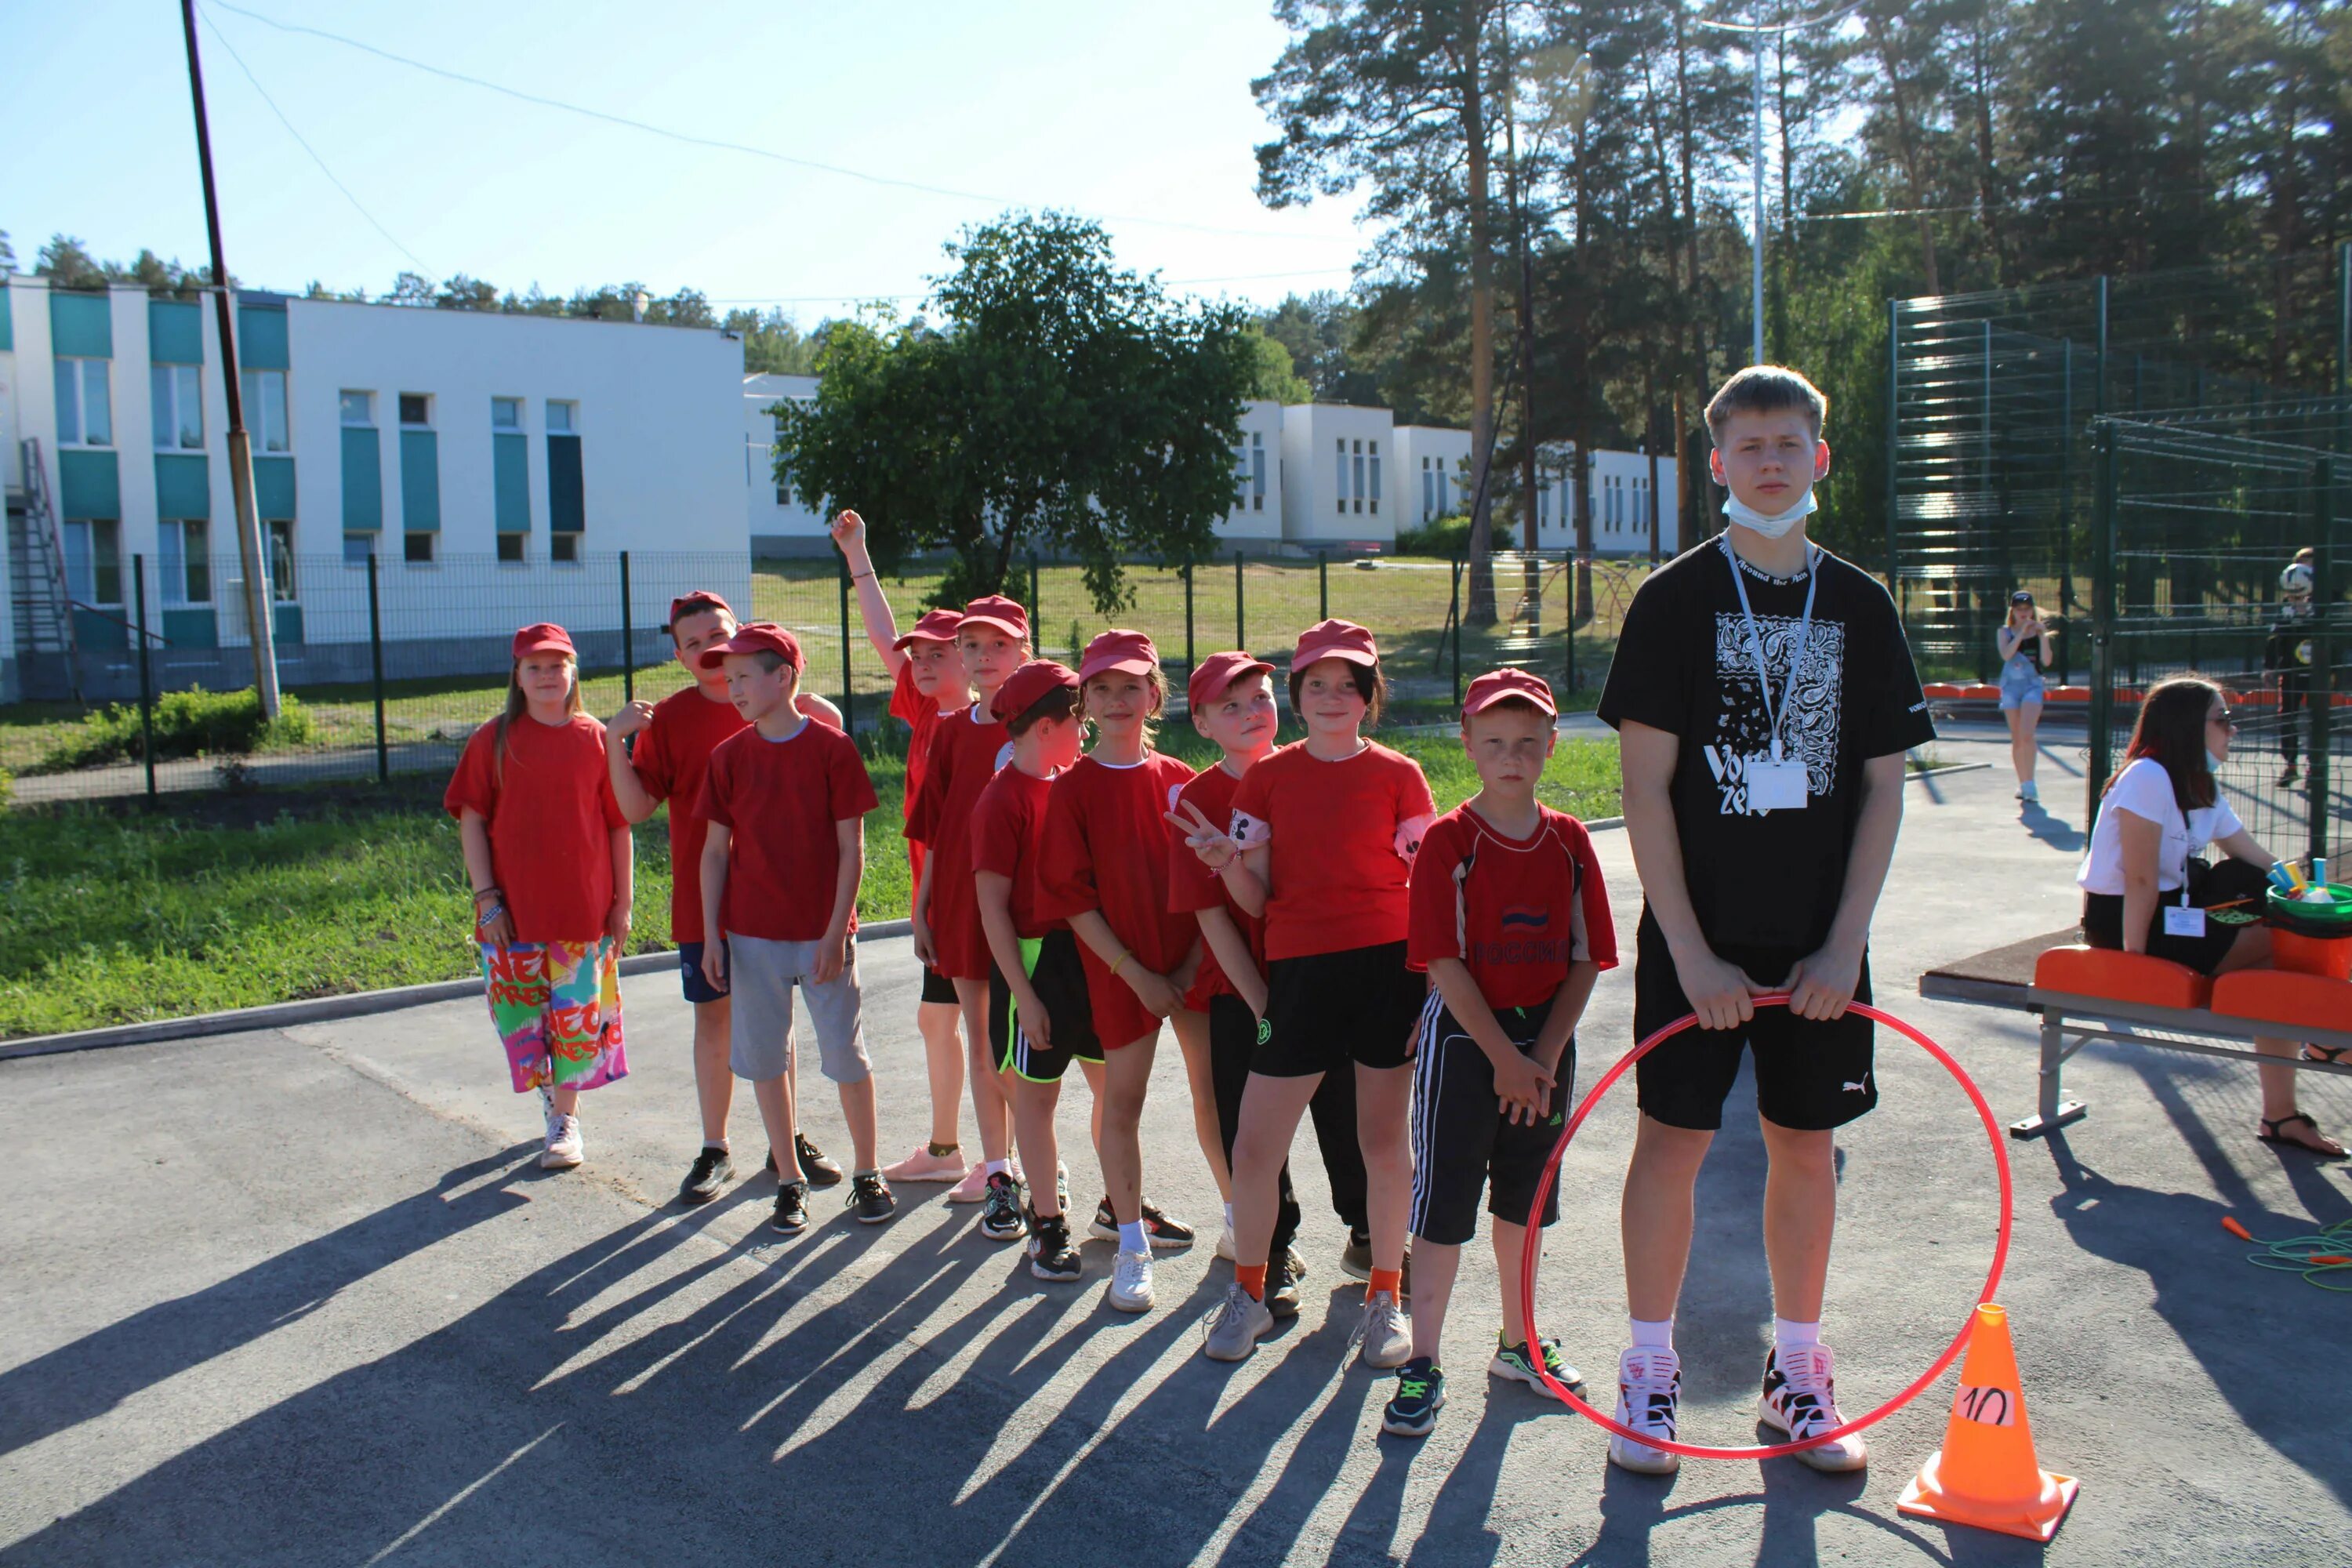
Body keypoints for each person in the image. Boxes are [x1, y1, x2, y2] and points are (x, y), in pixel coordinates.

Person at [1595, 365, 1935, 1475]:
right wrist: (1689, 951)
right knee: (1675, 1145)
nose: (1772, 461)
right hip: (1700, 943)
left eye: (1790, 443)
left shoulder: (1861, 603)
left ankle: (1798, 1375)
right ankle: (1650, 1371)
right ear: (1720, 464)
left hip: (1819, 944)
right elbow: (1645, 790)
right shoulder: (1675, 600)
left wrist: (1844, 942)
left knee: (1806, 1146)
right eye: (1750, 446)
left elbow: (1883, 787)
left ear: (1820, 458)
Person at [1174, 619, 1434, 1368]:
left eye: (1347, 684)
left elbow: (1421, 889)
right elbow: (1254, 905)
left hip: (1388, 973)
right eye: (1315, 684)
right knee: (1254, 1148)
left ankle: (1384, 1298)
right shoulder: (1268, 778)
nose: (1331, 696)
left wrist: (1434, 985)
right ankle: (1249, 1294)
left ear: (1368, 696)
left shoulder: (1400, 774)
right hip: (1300, 978)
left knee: (1385, 1146)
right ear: (1298, 694)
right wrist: (1226, 861)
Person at [1381, 669, 1617, 1439]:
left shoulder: (1571, 839)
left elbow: (1587, 957)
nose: (1512, 755)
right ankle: (1423, 1358)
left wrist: (1540, 1054)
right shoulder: (1450, 841)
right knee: (1445, 1201)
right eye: (1494, 741)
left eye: (1527, 741)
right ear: (1469, 744)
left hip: (1545, 1040)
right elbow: (1444, 963)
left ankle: (1519, 1342)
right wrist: (1505, 1059)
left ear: (1552, 744)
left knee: (1526, 1198)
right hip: (1465, 1041)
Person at [607, 590, 846, 1205]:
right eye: (695, 644)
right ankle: (715, 1147)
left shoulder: (785, 706)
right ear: (682, 658)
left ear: (742, 634)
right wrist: (614, 743)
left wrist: (827, 716)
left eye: (720, 634)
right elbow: (634, 808)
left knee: (779, 1025)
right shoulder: (671, 721)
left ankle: (784, 1141)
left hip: (782, 904)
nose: (711, 650)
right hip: (708, 907)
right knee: (715, 1021)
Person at [1169, 651, 1372, 1304]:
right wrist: (1262, 1001)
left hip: (1329, 978)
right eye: (1230, 706)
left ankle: (1368, 1231)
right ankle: (1272, 1248)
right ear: (1201, 723)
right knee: (1251, 1131)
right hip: (1245, 992)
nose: (1251, 713)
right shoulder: (1197, 801)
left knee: (1348, 1112)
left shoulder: (1314, 771)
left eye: (1259, 698)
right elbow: (1210, 915)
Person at [2077, 674, 2343, 1156]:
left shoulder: (2200, 784)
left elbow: (2259, 858)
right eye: (2223, 719)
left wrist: (2309, 896)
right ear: (2186, 727)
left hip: (2172, 913)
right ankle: (2327, 1039)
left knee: (2279, 950)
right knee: (2283, 944)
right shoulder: (2147, 776)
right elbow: (2138, 880)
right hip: (2125, 922)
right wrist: (2136, 966)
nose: (2232, 730)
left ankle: (2281, 1115)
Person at [695, 622, 895, 1232]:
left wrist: (836, 934)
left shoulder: (833, 749)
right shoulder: (727, 758)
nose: (733, 689)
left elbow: (851, 849)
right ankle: (789, 1178)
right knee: (765, 1059)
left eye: (744, 676)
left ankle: (867, 1173)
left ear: (784, 677)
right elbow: (714, 853)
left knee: (845, 1055)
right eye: (726, 679)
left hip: (822, 935)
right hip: (751, 936)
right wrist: (711, 935)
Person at [1039, 631, 1205, 1313]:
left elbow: (1207, 888)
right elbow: (1074, 900)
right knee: (1122, 1107)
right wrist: (1138, 975)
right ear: (1083, 703)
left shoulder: (1180, 782)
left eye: (1130, 686)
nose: (1116, 700)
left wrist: (1190, 967)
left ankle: (1245, 1228)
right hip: (1119, 974)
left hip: (1195, 970)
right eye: (1101, 689)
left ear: (1154, 696)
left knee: (1216, 1103)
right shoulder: (1071, 791)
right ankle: (1131, 1245)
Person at [445, 622, 632, 1171]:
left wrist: (622, 903)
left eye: (557, 665)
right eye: (535, 667)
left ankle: (564, 1123)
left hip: (583, 910)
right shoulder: (493, 740)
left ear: (574, 672)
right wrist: (487, 899)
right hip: (511, 916)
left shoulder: (597, 739)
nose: (548, 676)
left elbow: (620, 826)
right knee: (523, 1024)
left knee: (574, 1023)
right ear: (518, 677)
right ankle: (551, 1101)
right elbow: (472, 820)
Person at [830, 510, 978, 1186]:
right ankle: (947, 1151)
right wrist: (858, 554)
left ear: (969, 660)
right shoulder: (924, 709)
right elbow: (884, 636)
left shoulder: (981, 723)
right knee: (936, 1019)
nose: (918, 663)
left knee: (975, 1027)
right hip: (935, 901)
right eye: (918, 657)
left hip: (971, 904)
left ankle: (1009, 1161)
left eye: (936, 655)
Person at [908, 596, 1036, 1238]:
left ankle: (1046, 1166)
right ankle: (999, 1175)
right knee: (986, 1050)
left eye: (1000, 646)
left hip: (1031, 913)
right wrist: (923, 903)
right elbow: (935, 828)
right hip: (961, 906)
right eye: (974, 647)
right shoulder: (953, 731)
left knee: (1032, 1054)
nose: (985, 659)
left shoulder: (1047, 723)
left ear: (1025, 651)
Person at [971, 660, 1099, 1279]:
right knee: (1034, 1106)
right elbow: (992, 909)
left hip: (1090, 958)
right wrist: (1025, 994)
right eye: (1080, 721)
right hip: (1035, 965)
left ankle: (1122, 1203)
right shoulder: (1001, 800)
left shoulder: (1074, 783)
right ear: (1048, 727)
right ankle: (1046, 1226)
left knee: (1113, 1090)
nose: (1089, 731)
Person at [1997, 589, 2054, 803]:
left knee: (2027, 733)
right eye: (2019, 609)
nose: (2024, 613)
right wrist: (2021, 633)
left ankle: (2031, 783)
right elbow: (2006, 654)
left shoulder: (2039, 631)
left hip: (2032, 686)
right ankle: (2022, 783)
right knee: (2017, 737)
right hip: (2011, 687)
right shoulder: (2005, 632)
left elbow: (2047, 661)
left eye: (2027, 608)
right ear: (2013, 610)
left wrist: (2042, 635)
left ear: (2032, 609)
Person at [2267, 549, 2317, 789]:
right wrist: (2269, 667)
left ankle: (2315, 767)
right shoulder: (2285, 606)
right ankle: (2291, 766)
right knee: (2288, 718)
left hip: (2318, 671)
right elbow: (2274, 638)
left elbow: (2337, 637)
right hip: (2290, 671)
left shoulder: (2327, 602)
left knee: (2318, 720)